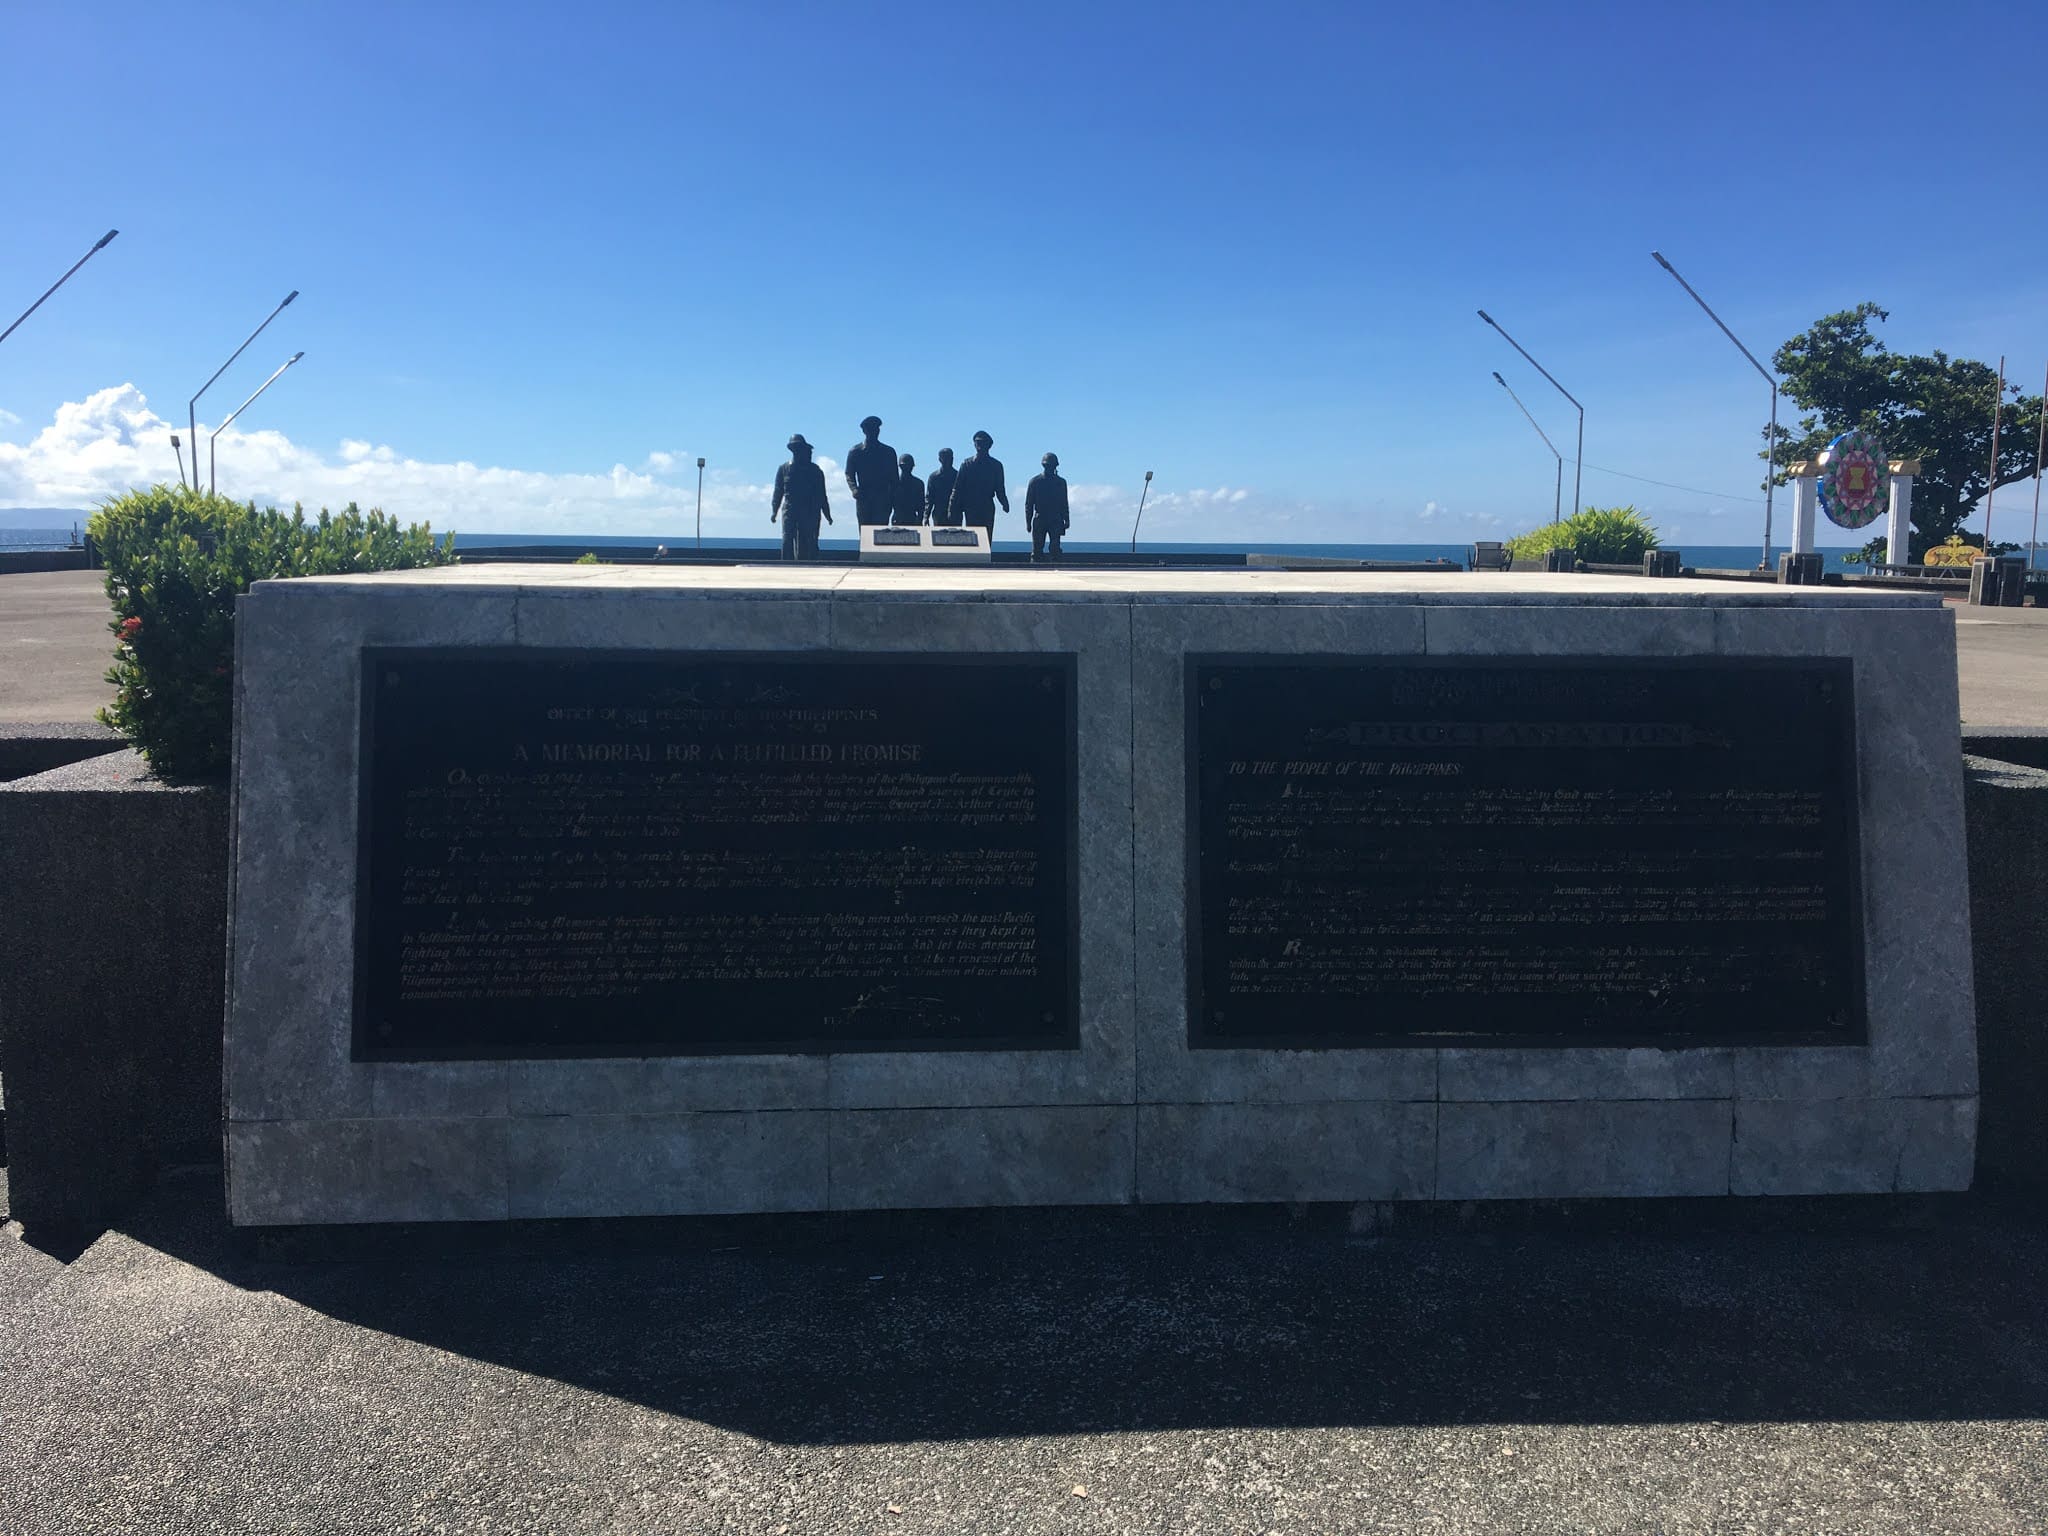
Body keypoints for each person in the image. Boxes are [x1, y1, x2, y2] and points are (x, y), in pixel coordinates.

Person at [771, 434, 832, 560]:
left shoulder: (815, 470)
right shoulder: (783, 469)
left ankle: (804, 564)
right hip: (790, 508)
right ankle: (785, 565)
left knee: (806, 539)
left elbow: (821, 495)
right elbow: (778, 492)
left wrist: (827, 514)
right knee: (787, 538)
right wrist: (774, 511)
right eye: (795, 448)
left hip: (808, 509)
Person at [948, 429, 1008, 538]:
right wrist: (952, 507)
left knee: (986, 537)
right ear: (974, 445)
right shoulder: (967, 464)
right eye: (977, 443)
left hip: (987, 506)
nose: (980, 446)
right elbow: (957, 488)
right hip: (971, 506)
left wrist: (1004, 502)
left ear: (989, 445)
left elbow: (1000, 488)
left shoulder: (996, 466)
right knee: (973, 537)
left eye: (983, 443)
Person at [844, 415, 897, 528]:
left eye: (876, 429)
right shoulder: (855, 452)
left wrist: (892, 500)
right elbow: (849, 474)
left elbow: (894, 479)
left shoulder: (888, 452)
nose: (875, 432)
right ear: (865, 431)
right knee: (865, 532)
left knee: (881, 532)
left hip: (883, 498)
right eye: (871, 429)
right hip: (864, 497)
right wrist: (854, 489)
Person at [1025, 452, 1070, 561]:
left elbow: (1064, 503)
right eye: (1048, 466)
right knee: (1037, 550)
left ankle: (1056, 566)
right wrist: (1028, 522)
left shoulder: (1060, 482)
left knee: (1055, 549)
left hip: (1055, 519)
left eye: (1051, 466)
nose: (1050, 468)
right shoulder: (1035, 482)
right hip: (1040, 518)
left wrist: (1066, 519)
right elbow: (1029, 504)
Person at [925, 447, 960, 526]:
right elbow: (929, 498)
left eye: (950, 458)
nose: (949, 461)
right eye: (945, 458)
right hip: (939, 515)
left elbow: (963, 496)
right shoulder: (934, 477)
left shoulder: (958, 476)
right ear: (940, 460)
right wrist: (926, 516)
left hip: (955, 515)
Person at [891, 453, 926, 525]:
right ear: (900, 467)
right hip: (898, 518)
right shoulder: (894, 483)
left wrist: (920, 519)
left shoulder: (918, 484)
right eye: (904, 466)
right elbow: (889, 502)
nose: (906, 468)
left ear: (912, 466)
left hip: (913, 519)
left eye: (909, 466)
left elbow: (921, 505)